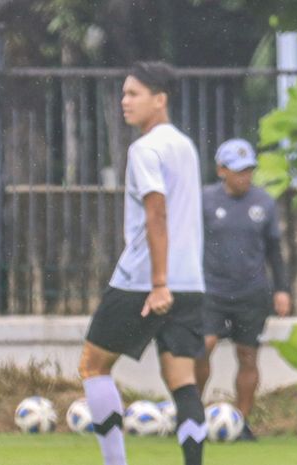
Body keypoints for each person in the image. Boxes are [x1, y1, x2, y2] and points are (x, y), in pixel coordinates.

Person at [78, 61, 207, 465]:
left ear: (160, 99)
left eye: (133, 94)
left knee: (92, 367)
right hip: (190, 280)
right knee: (182, 382)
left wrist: (158, 282)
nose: (124, 102)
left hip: (145, 281)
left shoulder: (144, 149)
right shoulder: (184, 145)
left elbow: (157, 213)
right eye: (123, 93)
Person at [195, 138, 291, 441]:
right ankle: (192, 416)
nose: (244, 176)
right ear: (221, 170)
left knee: (247, 355)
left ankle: (241, 423)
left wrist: (282, 289)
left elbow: (275, 250)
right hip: (212, 290)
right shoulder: (205, 200)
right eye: (238, 170)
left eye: (248, 170)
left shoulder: (263, 202)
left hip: (251, 292)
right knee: (203, 347)